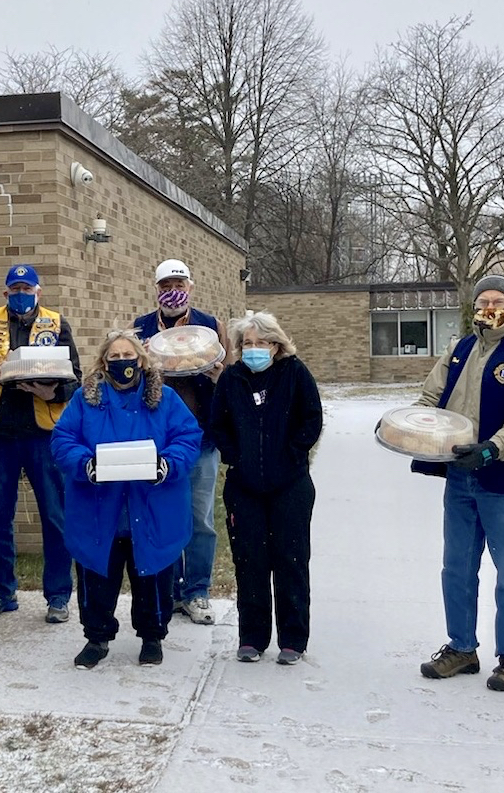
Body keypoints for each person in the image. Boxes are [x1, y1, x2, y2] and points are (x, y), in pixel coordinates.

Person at [412, 274, 504, 692]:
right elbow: (429, 401)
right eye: (482, 300)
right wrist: (409, 427)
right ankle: (461, 648)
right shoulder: (459, 352)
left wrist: (492, 449)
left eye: (498, 300)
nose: (490, 307)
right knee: (456, 568)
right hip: (461, 480)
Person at [50, 330, 202, 668]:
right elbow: (63, 439)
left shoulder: (166, 399)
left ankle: (152, 636)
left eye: (128, 356)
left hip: (150, 507)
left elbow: (188, 437)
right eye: (114, 358)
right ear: (104, 363)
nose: (123, 363)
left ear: (142, 360)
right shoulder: (85, 400)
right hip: (99, 509)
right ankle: (97, 637)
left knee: (153, 578)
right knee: (97, 578)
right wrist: (85, 465)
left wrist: (168, 465)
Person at [0, 264, 81, 624]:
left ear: (39, 292)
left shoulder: (57, 324)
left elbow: (76, 377)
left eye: (28, 288)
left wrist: (52, 390)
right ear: (5, 292)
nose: (21, 294)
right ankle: (2, 591)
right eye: (15, 289)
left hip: (44, 434)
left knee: (55, 516)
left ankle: (58, 596)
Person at [210, 312, 323, 666]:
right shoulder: (232, 378)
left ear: (276, 345)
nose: (254, 349)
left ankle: (293, 639)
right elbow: (218, 425)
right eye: (247, 344)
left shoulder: (294, 373)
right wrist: (235, 457)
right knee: (251, 563)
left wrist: (292, 453)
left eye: (262, 343)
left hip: (290, 485)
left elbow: (312, 418)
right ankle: (252, 638)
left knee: (290, 561)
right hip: (244, 487)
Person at [133, 259, 232, 626]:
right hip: (157, 440)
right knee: (163, 516)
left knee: (200, 519)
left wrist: (218, 373)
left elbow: (232, 383)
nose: (171, 290)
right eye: (164, 285)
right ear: (155, 289)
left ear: (191, 286)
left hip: (202, 438)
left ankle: (197, 591)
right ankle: (169, 590)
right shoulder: (141, 328)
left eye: (178, 283)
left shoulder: (209, 327)